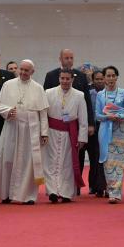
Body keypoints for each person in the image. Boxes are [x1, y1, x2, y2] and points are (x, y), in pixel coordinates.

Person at [0, 59, 49, 204]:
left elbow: (43, 112)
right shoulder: (8, 85)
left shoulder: (38, 88)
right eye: (21, 69)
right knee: (8, 159)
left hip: (31, 129)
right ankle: (6, 194)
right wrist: (8, 111)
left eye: (26, 70)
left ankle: (28, 196)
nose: (22, 72)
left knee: (28, 163)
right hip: (12, 126)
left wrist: (44, 132)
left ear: (32, 72)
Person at [42, 49, 95, 183]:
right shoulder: (51, 75)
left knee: (77, 156)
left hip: (74, 125)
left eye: (71, 58)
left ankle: (74, 184)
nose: (69, 60)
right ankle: (54, 185)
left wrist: (90, 124)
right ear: (60, 58)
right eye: (66, 58)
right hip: (55, 125)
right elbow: (44, 103)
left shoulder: (81, 76)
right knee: (53, 158)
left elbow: (87, 102)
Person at [43, 68, 88, 203]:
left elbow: (83, 118)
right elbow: (44, 115)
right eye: (62, 78)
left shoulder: (79, 95)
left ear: (72, 80)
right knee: (50, 163)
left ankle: (66, 192)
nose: (65, 81)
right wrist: (43, 133)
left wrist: (82, 138)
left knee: (67, 163)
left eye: (68, 79)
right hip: (52, 131)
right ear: (59, 78)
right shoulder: (49, 93)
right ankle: (52, 191)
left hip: (70, 133)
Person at [96, 66, 124, 203]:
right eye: (107, 76)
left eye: (113, 76)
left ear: (116, 77)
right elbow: (97, 115)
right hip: (105, 131)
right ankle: (111, 190)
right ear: (104, 78)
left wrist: (121, 116)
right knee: (108, 162)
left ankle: (116, 193)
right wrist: (108, 117)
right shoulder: (100, 95)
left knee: (119, 162)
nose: (110, 79)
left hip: (120, 130)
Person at [87, 69, 106, 195]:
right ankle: (94, 185)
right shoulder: (89, 94)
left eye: (101, 79)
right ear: (93, 80)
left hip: (106, 127)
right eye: (97, 79)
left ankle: (102, 185)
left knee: (103, 157)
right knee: (94, 158)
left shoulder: (109, 93)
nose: (99, 81)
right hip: (93, 129)